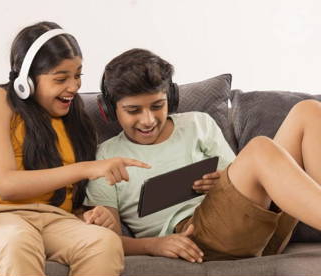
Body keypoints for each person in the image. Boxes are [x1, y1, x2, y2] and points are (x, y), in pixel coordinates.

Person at [84, 48, 321, 263]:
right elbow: (108, 237)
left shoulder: (197, 124)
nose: (148, 120)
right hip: (196, 237)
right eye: (133, 111)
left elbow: (243, 180)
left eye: (157, 106)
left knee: (308, 110)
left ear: (172, 99)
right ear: (109, 110)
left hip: (254, 227)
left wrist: (221, 179)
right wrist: (153, 245)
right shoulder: (106, 157)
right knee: (260, 149)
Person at [0, 22, 150, 276]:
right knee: (18, 241)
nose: (74, 86)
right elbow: (6, 184)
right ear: (26, 81)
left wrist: (97, 214)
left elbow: (74, 196)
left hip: (55, 219)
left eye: (78, 75)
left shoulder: (77, 119)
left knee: (104, 242)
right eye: (61, 78)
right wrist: (86, 168)